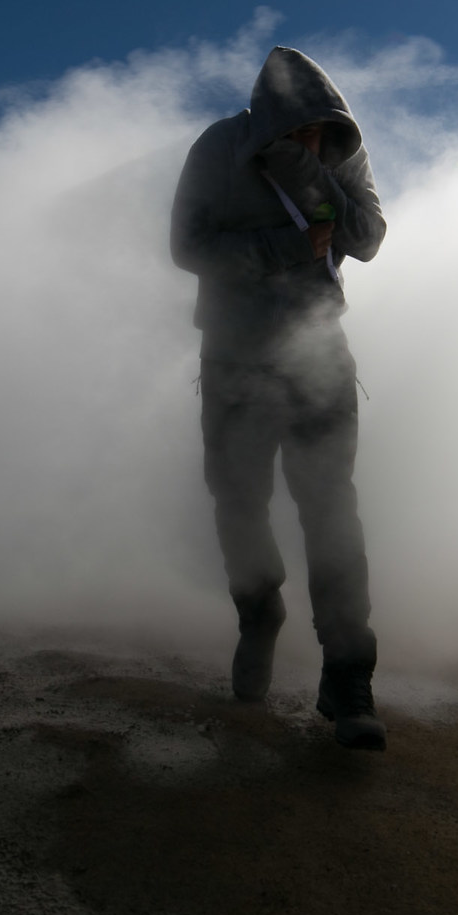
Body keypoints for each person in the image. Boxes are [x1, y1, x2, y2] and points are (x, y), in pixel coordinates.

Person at [170, 45, 388, 749]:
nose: (305, 140)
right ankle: (258, 615)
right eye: (293, 131)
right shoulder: (220, 147)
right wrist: (283, 247)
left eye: (316, 129)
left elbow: (369, 237)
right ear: (265, 120)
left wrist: (315, 173)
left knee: (331, 510)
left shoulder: (337, 151)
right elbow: (186, 245)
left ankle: (349, 677)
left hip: (318, 354)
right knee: (239, 503)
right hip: (234, 358)